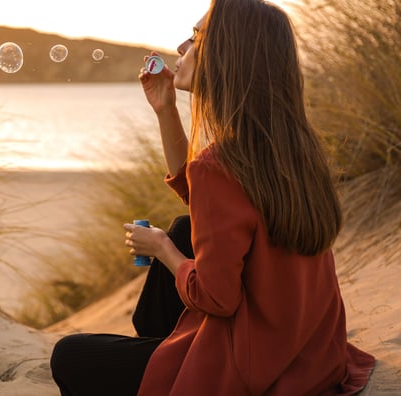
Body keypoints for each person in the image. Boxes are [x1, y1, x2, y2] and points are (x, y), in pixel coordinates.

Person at [49, 0, 376, 394]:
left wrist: (162, 250)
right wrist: (166, 109)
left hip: (249, 365)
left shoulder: (219, 165)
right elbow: (213, 209)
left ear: (226, 55)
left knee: (69, 356)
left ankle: (162, 360)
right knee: (187, 228)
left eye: (197, 36)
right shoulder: (296, 149)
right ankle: (157, 347)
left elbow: (217, 299)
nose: (182, 46)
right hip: (309, 353)